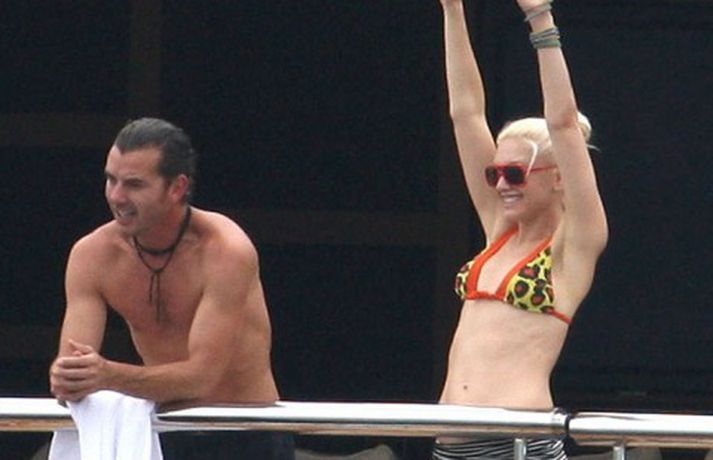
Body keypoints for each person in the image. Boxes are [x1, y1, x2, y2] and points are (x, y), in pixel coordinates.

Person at [49, 117, 294, 459]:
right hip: (162, 432)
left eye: (134, 184)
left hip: (245, 432)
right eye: (111, 179)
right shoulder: (92, 255)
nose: (117, 196)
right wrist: (68, 377)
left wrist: (105, 375)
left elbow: (202, 378)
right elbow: (73, 371)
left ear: (177, 188)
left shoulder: (225, 249)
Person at [435, 0, 608, 459]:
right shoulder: (500, 231)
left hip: (518, 442)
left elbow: (563, 124)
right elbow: (466, 114)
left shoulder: (574, 244)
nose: (501, 185)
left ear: (558, 177)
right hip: (450, 443)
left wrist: (539, 18)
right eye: (495, 174)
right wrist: (452, 10)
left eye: (515, 174)